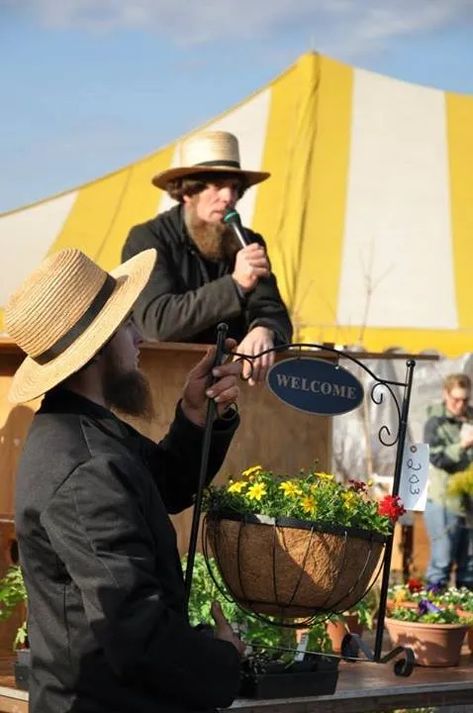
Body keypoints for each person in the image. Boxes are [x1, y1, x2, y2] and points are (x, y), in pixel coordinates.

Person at [5, 247, 245, 713]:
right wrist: (222, 660)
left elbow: (166, 486)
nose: (139, 338)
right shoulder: (83, 464)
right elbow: (136, 632)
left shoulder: (82, 431)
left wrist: (196, 417)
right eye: (127, 325)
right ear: (96, 348)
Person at [122, 130, 292, 385]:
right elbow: (156, 324)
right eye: (218, 185)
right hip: (161, 388)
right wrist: (235, 286)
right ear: (188, 191)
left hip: (232, 393)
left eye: (235, 188)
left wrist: (264, 329)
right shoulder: (148, 240)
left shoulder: (248, 241)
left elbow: (273, 313)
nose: (229, 197)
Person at [423, 373, 473, 589]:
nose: (460, 405)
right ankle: (433, 614)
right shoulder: (435, 422)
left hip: (469, 504)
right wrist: (462, 445)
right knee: (441, 563)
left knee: (470, 567)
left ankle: (467, 618)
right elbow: (437, 458)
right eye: (456, 399)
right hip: (443, 502)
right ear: (445, 394)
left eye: (465, 400)